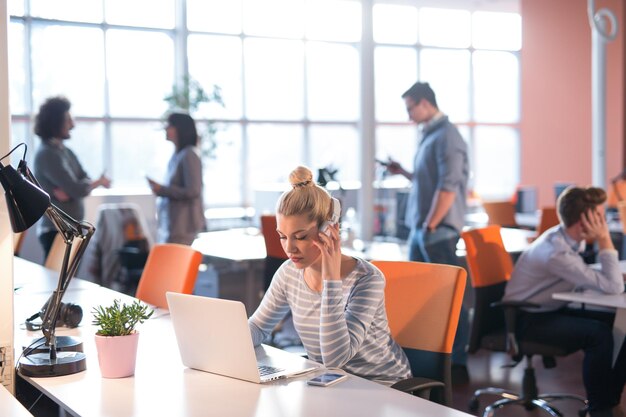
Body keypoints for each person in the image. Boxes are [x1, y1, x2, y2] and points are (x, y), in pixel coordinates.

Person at [248, 166, 411, 385]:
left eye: (301, 237)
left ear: (328, 229)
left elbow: (335, 358)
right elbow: (258, 327)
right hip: (331, 383)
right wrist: (221, 342)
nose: (290, 248)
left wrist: (331, 280)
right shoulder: (288, 273)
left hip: (384, 385)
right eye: (283, 237)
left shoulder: (367, 279)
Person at [503, 186, 626, 417]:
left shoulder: (566, 238)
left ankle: (608, 400)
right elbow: (613, 287)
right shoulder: (556, 252)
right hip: (526, 318)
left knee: (620, 325)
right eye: (600, 217)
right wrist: (604, 238)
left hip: (550, 309)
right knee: (598, 334)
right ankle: (600, 409)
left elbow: (589, 277)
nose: (604, 223)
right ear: (584, 220)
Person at [384, 81, 470, 379]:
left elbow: (448, 187)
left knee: (447, 299)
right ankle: (422, 361)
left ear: (425, 103)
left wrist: (431, 223)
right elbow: (428, 181)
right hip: (424, 229)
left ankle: (456, 363)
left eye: (410, 109)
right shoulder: (430, 136)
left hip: (437, 231)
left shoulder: (447, 137)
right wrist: (403, 172)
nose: (409, 116)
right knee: (420, 299)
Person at [33, 96, 111, 259]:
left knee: (68, 281)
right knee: (59, 282)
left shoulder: (65, 151)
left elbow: (83, 180)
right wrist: (89, 184)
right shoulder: (48, 154)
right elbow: (77, 188)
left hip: (71, 229)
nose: (72, 125)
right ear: (56, 122)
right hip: (57, 230)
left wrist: (78, 187)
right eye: (68, 120)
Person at [148, 112, 205, 245]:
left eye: (170, 126)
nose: (166, 129)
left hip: (184, 228)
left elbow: (193, 190)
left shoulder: (189, 154)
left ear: (180, 129)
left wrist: (162, 190)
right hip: (174, 226)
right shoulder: (177, 155)